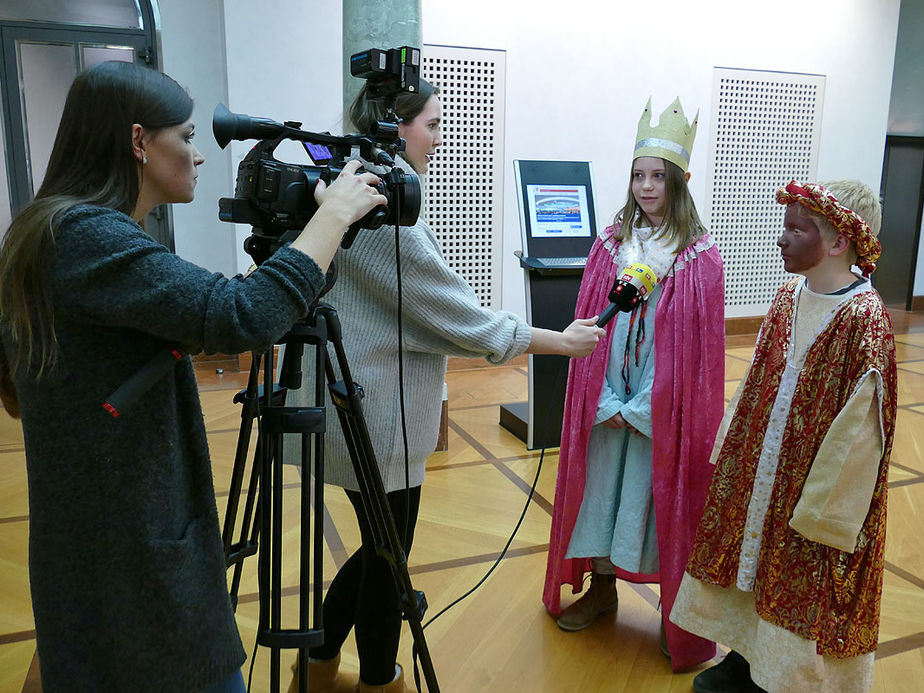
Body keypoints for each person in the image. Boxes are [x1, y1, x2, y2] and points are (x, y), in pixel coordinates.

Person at [0, 61, 386, 693]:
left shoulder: (48, 229)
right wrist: (331, 219)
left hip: (91, 528)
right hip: (133, 541)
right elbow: (243, 316)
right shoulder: (87, 235)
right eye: (185, 136)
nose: (199, 155)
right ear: (137, 143)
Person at [284, 79, 605, 693]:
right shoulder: (380, 216)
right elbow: (456, 317)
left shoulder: (348, 192)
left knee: (382, 547)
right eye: (432, 124)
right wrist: (559, 341)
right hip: (375, 413)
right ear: (394, 128)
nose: (439, 137)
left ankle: (322, 658)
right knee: (387, 556)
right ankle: (380, 676)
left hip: (356, 400)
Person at [671, 180, 896, 693]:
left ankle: (786, 676)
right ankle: (747, 656)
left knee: (800, 570)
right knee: (752, 558)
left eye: (798, 230)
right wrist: (736, 450)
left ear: (839, 242)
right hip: (764, 466)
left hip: (814, 483)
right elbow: (759, 375)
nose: (782, 239)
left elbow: (863, 432)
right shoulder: (788, 295)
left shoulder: (866, 320)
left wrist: (826, 510)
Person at [542, 97, 726, 671]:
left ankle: (677, 615)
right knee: (599, 494)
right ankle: (601, 589)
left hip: (656, 410)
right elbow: (589, 322)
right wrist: (604, 401)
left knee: (654, 501)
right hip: (606, 404)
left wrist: (643, 404)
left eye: (658, 177)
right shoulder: (610, 244)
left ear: (679, 181)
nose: (646, 187)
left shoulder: (696, 257)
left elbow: (694, 356)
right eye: (638, 175)